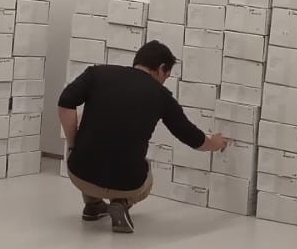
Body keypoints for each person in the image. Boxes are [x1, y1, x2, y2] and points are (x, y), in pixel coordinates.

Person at [58, 41, 228, 233]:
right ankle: (121, 202)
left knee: (84, 128)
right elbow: (191, 136)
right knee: (146, 171)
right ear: (161, 68)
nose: (164, 81)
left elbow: (65, 102)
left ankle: (92, 204)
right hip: (128, 183)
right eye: (166, 76)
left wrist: (73, 145)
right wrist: (215, 143)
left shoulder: (97, 73)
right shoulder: (161, 96)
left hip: (79, 174)